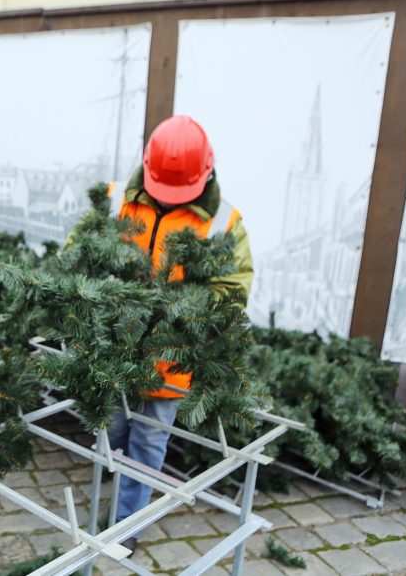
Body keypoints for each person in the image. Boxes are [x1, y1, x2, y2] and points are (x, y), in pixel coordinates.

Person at [104, 115, 253, 555]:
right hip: (115, 347)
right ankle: (113, 481)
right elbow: (82, 252)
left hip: (171, 359)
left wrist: (185, 314)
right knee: (111, 426)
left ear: (206, 170)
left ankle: (126, 526)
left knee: (148, 440)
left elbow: (233, 290)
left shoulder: (225, 223)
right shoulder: (116, 202)